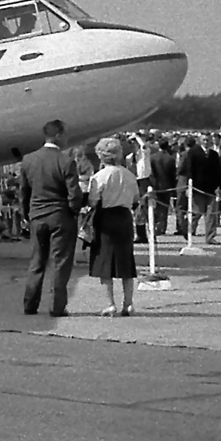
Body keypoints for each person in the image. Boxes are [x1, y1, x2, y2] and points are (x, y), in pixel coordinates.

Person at [19, 119, 83, 316]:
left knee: (37, 261)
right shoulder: (66, 161)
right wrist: (74, 211)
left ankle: (30, 304)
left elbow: (24, 192)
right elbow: (74, 194)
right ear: (59, 135)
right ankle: (56, 306)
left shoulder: (28, 160)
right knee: (59, 262)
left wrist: (26, 215)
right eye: (65, 134)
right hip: (60, 216)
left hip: (37, 215)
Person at [88, 137, 140, 317]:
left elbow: (93, 201)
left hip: (106, 218)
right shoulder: (129, 175)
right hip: (124, 218)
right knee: (126, 260)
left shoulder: (99, 176)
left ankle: (110, 304)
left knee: (105, 262)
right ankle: (129, 303)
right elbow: (135, 199)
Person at [149, 139, 176, 237]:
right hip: (167, 186)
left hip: (155, 185)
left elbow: (151, 173)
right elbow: (173, 175)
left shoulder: (152, 157)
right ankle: (162, 227)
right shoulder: (170, 159)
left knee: (155, 207)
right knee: (164, 208)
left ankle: (155, 226)